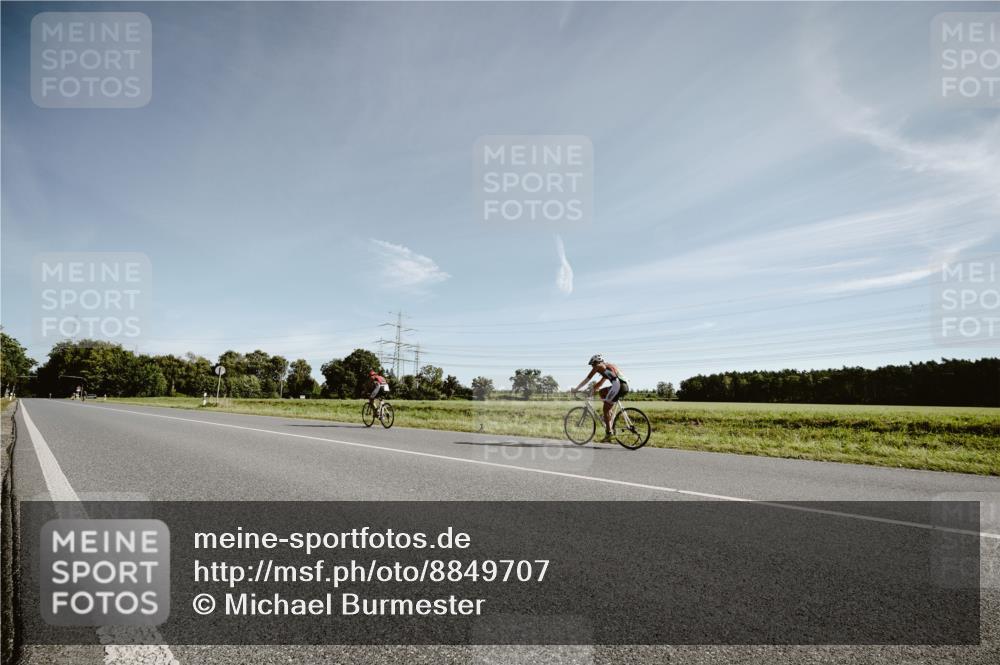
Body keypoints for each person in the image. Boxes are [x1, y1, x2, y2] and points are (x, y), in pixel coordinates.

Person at [573, 355, 629, 442]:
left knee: (605, 410)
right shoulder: (607, 367)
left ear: (596, 362)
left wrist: (576, 389)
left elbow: (587, 379)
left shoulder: (599, 366)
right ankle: (609, 417)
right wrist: (591, 391)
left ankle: (609, 433)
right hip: (624, 386)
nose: (593, 367)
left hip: (617, 386)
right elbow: (600, 383)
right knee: (602, 392)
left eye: (592, 365)